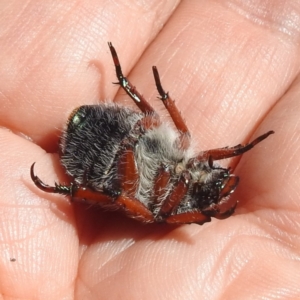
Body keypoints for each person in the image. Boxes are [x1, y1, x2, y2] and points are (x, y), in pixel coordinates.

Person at [0, 1, 299, 299]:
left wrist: (201, 213)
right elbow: (202, 154)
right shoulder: (195, 160)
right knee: (162, 126)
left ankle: (69, 188)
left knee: (128, 195)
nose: (211, 173)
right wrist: (239, 148)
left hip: (100, 163)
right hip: (114, 127)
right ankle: (125, 84)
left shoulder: (172, 210)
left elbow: (148, 209)